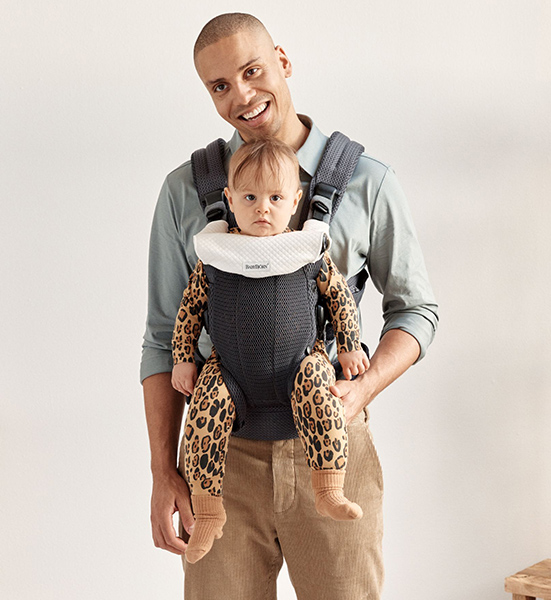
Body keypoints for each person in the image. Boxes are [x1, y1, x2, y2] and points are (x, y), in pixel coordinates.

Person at [141, 12, 438, 599]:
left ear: (282, 60)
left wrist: (363, 387)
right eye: (219, 86)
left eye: (252, 71)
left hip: (331, 448)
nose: (241, 96)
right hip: (219, 458)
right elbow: (161, 335)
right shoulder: (185, 191)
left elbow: (415, 311)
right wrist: (162, 470)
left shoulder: (368, 182)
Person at [172, 138, 370, 564]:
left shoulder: (307, 252)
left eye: (275, 198)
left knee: (320, 387)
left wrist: (349, 346)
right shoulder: (216, 256)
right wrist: (183, 358)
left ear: (296, 201)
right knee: (204, 410)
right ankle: (208, 510)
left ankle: (329, 488)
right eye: (250, 198)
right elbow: (189, 309)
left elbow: (340, 299)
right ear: (229, 200)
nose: (263, 208)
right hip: (230, 374)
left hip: (299, 366)